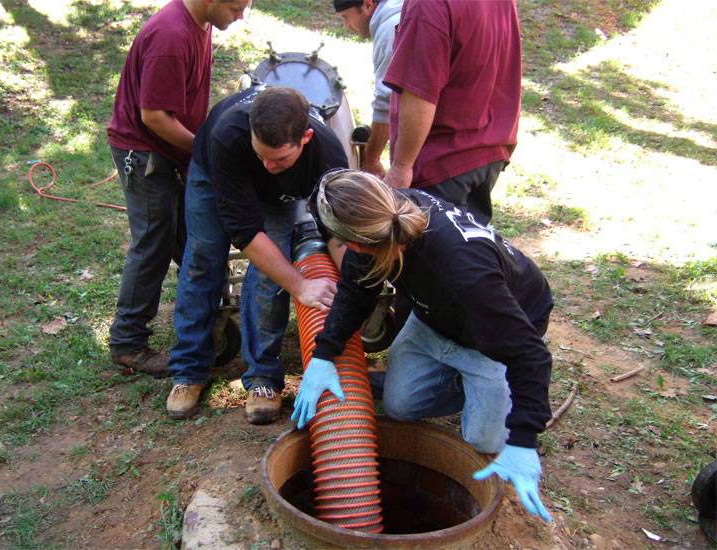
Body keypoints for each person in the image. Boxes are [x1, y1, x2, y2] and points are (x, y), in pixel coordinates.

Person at [291, 169, 554, 523]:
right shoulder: (386, 215)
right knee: (400, 406)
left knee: (484, 441)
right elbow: (355, 292)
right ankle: (463, 384)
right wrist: (324, 355)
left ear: (351, 243)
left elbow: (531, 356)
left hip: (490, 340)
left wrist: (524, 439)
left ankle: (483, 386)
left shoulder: (464, 277)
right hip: (434, 319)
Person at [166, 86, 348, 425]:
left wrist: (353, 291)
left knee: (269, 272)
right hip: (215, 171)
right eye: (262, 154)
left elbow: (337, 232)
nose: (267, 164)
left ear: (305, 137)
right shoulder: (229, 135)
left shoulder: (328, 157)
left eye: (279, 158)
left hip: (276, 195)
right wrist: (300, 285)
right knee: (203, 260)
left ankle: (263, 377)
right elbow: (245, 232)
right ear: (251, 131)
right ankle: (188, 370)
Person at [105, 0, 250, 377]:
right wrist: (205, 149)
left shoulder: (200, 24)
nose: (241, 16)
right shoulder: (171, 35)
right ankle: (127, 342)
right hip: (146, 153)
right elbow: (152, 116)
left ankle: (211, 312)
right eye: (236, 7)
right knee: (154, 240)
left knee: (192, 234)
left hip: (172, 148)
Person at [382, 0, 522, 227]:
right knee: (467, 255)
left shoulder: (427, 5)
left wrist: (401, 167)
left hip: (441, 164)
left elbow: (420, 91)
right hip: (487, 152)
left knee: (432, 258)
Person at [332, 0, 403, 178]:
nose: (346, 25)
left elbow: (386, 101)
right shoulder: (400, 9)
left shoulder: (389, 29)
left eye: (346, 17)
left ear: (368, 4)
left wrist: (371, 160)